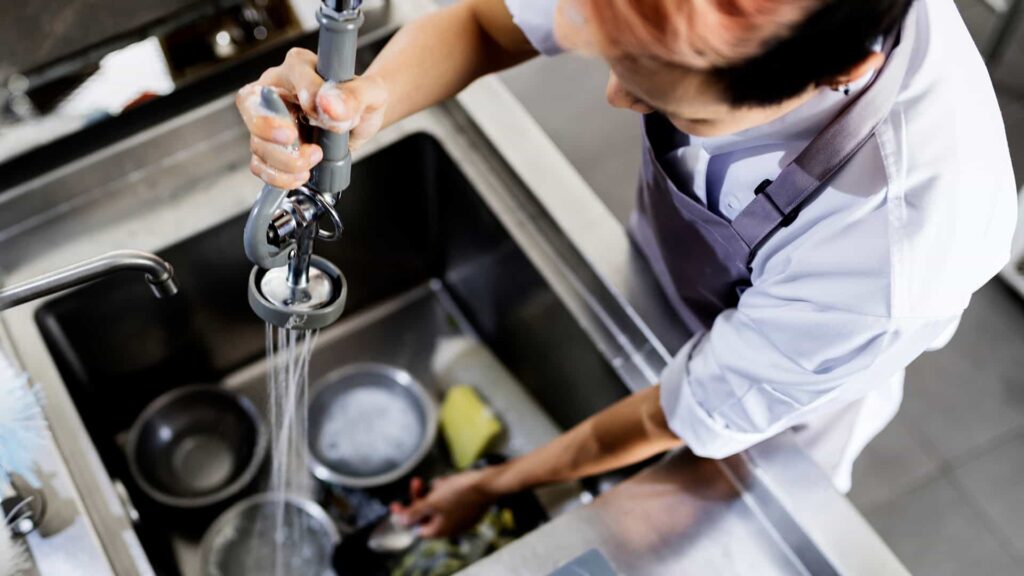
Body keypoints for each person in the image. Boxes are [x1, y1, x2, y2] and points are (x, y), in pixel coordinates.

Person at [236, 0, 1017, 538]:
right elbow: (487, 23)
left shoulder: (893, 245)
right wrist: (367, 100)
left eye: (668, 102)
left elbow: (674, 413)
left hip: (779, 404)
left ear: (841, 70)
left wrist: (496, 483)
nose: (613, 94)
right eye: (610, 55)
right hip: (678, 284)